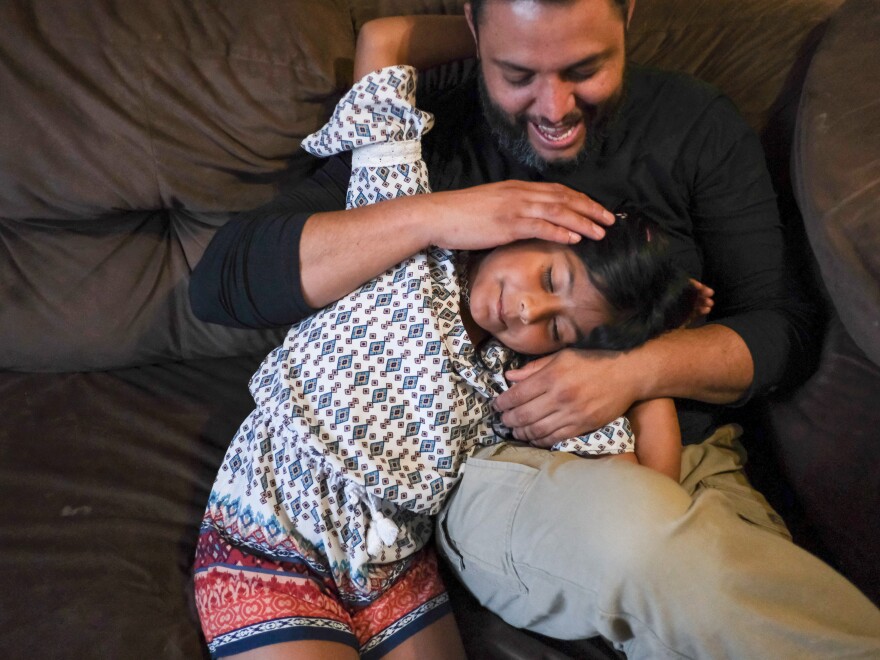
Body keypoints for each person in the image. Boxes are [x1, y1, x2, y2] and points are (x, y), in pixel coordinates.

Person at [190, 1, 880, 657]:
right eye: (518, 72)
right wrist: (439, 215)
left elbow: (784, 329)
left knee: (762, 606)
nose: (554, 108)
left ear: (626, 18)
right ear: (474, 28)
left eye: (584, 67)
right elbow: (225, 278)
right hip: (506, 474)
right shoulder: (432, 151)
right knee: (659, 555)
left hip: (675, 456)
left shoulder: (695, 124)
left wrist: (637, 370)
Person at [193, 61, 700, 660]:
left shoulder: (523, 381)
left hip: (392, 566)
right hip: (269, 534)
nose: (528, 311)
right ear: (531, 225)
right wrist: (507, 44)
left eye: (558, 327)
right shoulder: (411, 239)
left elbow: (648, 494)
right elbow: (384, 48)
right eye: (547, 277)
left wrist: (642, 357)